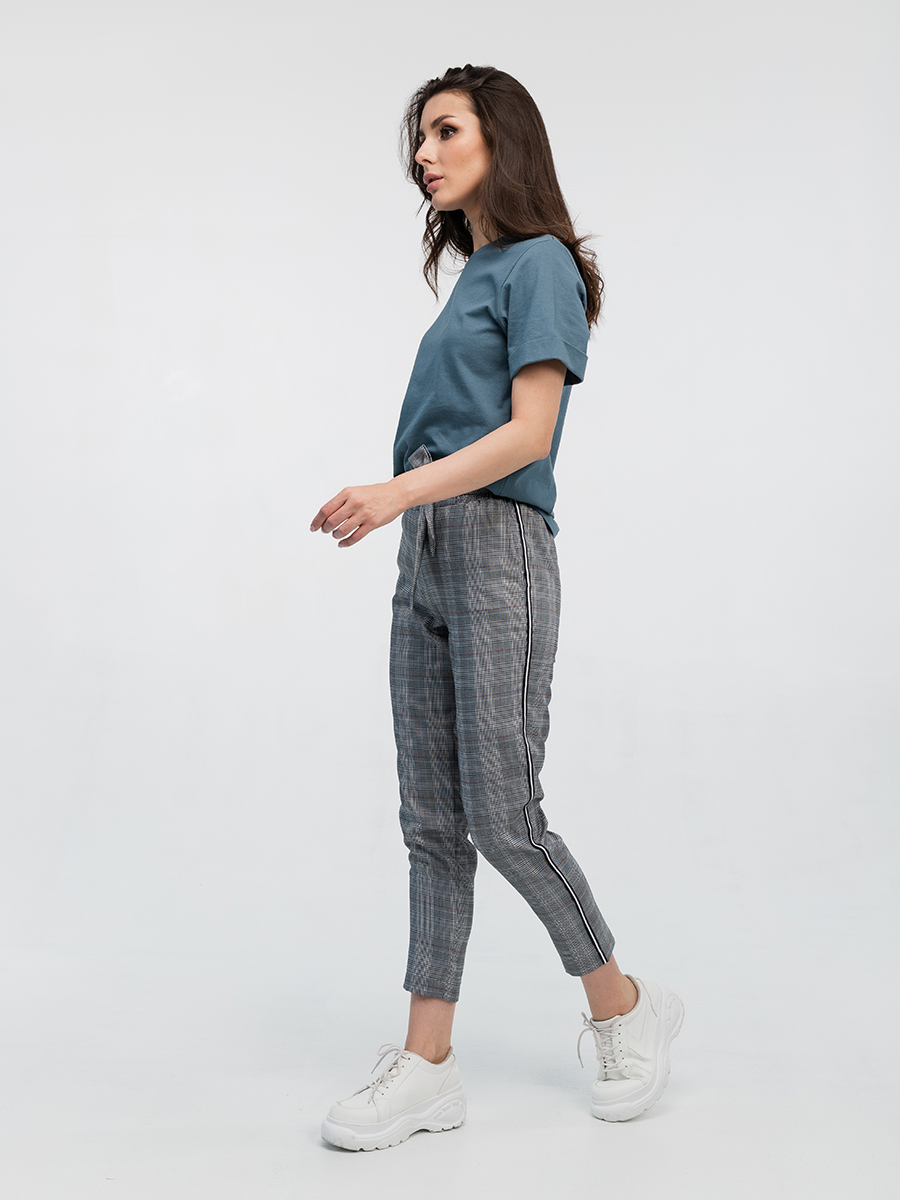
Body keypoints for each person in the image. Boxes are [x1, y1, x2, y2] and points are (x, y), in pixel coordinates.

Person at [311, 64, 684, 1152]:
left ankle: (622, 1005)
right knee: (432, 821)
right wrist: (406, 511)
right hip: (427, 550)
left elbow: (529, 435)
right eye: (419, 138)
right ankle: (428, 1064)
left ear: (501, 139)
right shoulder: (476, 274)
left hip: (496, 549)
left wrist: (393, 493)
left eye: (444, 131)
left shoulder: (542, 265)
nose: (422, 154)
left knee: (504, 815)